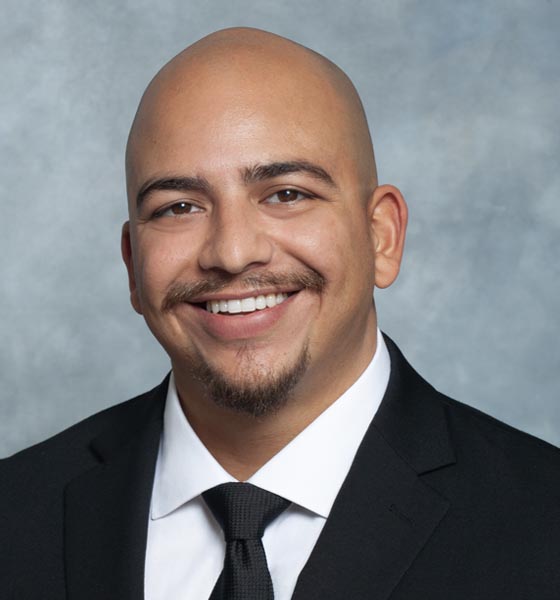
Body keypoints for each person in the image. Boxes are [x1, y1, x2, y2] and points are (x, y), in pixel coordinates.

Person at [1, 27, 559, 600]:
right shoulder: (15, 516)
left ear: (382, 237)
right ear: (132, 265)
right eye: (179, 207)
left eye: (286, 194)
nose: (231, 252)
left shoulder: (543, 525)